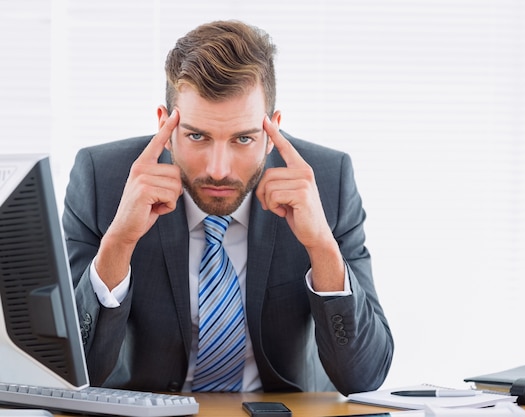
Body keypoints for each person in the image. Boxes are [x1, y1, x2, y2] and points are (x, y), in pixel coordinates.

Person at [62, 19, 393, 396]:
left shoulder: (327, 182)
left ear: (273, 131)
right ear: (164, 127)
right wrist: (118, 242)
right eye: (197, 136)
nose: (218, 168)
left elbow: (365, 377)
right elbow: (71, 375)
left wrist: (321, 247)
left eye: (243, 138)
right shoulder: (101, 181)